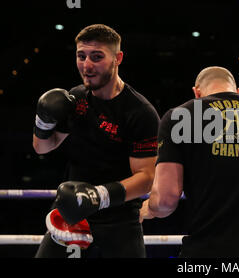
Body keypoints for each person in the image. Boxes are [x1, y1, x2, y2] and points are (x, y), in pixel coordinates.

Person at [33, 24, 160, 258]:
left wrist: (97, 195)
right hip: (71, 216)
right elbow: (42, 147)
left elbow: (146, 178)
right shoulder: (76, 98)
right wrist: (43, 121)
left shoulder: (139, 112)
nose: (87, 65)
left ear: (118, 58)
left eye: (97, 57)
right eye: (81, 56)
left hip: (119, 224)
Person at [140, 66, 239, 258]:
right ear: (238, 92)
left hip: (207, 251)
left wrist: (148, 209)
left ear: (197, 93)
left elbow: (166, 201)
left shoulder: (179, 116)